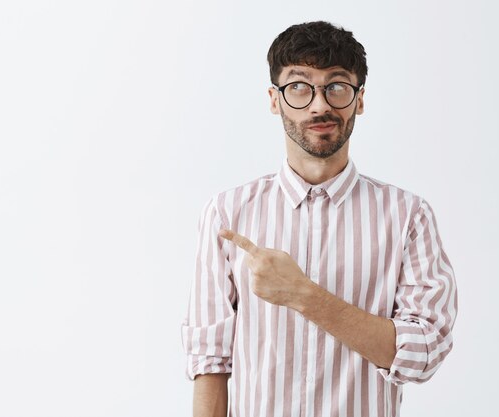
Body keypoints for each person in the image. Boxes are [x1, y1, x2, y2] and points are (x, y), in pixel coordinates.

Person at [181, 21, 457, 417]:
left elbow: (423, 353)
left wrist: (303, 295)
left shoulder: (407, 216)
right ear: (274, 99)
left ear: (359, 99)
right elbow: (211, 360)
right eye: (299, 86)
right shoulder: (227, 213)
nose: (319, 105)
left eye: (337, 86)